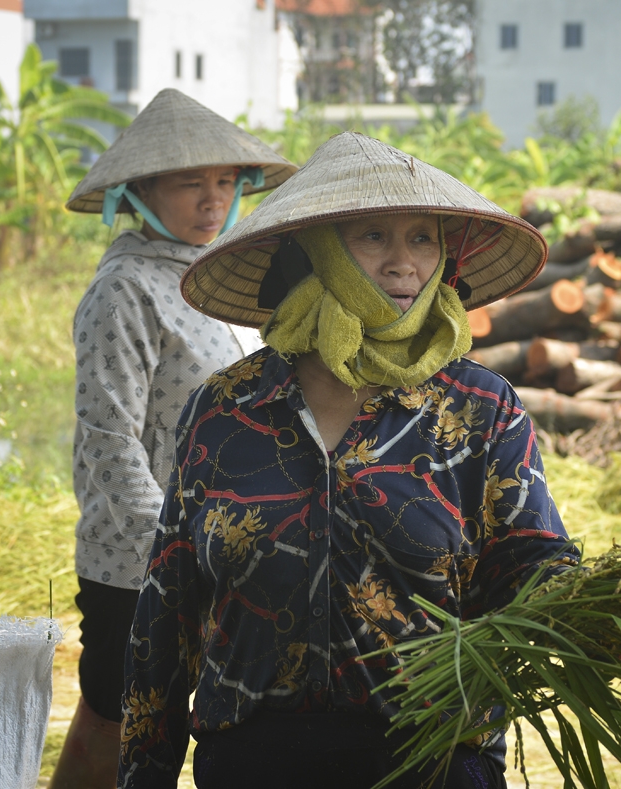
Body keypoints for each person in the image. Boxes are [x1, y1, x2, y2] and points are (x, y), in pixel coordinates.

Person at [119, 132, 580, 789]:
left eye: (422, 238)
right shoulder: (224, 411)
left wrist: (578, 596)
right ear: (320, 253)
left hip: (430, 759)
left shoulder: (479, 409)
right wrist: (145, 770)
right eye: (373, 237)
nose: (404, 264)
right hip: (253, 764)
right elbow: (168, 608)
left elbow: (529, 558)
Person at [51, 88, 297, 789]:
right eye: (191, 183)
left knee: (178, 720)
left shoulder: (222, 278)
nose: (212, 199)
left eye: (225, 181)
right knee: (117, 718)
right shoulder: (124, 288)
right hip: (138, 558)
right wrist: (169, 550)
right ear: (141, 192)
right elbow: (108, 438)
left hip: (223, 546)